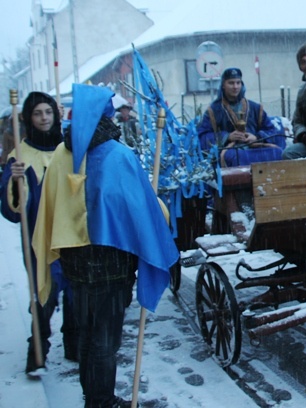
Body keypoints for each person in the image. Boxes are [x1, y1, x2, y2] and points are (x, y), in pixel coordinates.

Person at [32, 84, 179, 407]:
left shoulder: (60, 154)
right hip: (112, 265)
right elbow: (144, 211)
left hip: (76, 264)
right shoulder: (118, 155)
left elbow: (53, 206)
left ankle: (93, 396)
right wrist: (158, 207)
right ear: (107, 116)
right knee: (105, 339)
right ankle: (101, 401)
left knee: (87, 333)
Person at [0, 91, 78, 377]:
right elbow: (11, 211)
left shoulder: (68, 149)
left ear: (55, 115)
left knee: (73, 289)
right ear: (28, 118)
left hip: (70, 232)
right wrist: (14, 180)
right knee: (43, 290)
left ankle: (74, 343)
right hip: (38, 237)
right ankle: (38, 349)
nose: (44, 118)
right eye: (37, 113)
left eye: (48, 112)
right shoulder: (19, 156)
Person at [197, 67, 285, 167]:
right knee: (234, 157)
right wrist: (227, 137)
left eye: (238, 82)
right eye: (231, 83)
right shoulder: (213, 110)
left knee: (276, 152)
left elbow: (272, 131)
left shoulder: (255, 108)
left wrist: (257, 137)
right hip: (231, 150)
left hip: (255, 147)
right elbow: (202, 137)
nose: (235, 86)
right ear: (223, 85)